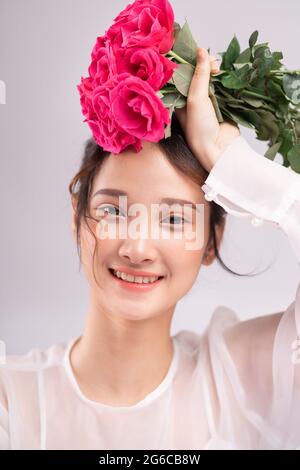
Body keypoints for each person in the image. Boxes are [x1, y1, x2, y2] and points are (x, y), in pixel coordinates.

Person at [0, 48, 299, 450]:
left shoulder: (245, 381)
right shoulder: (11, 400)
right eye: (113, 210)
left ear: (212, 242)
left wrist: (233, 164)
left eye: (174, 219)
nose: (138, 247)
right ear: (77, 217)